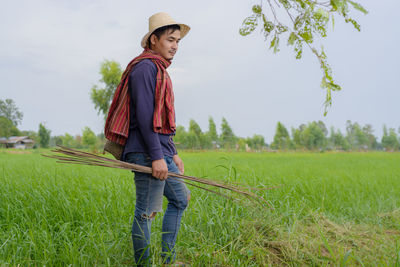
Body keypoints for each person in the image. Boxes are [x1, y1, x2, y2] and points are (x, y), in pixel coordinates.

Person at [104, 12, 191, 266]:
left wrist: (172, 152)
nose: (175, 46)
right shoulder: (144, 68)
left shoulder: (158, 69)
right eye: (170, 40)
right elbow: (144, 117)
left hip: (160, 151)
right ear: (153, 40)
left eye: (177, 41)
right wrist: (156, 157)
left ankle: (168, 260)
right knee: (146, 212)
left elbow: (161, 121)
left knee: (180, 199)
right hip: (147, 152)